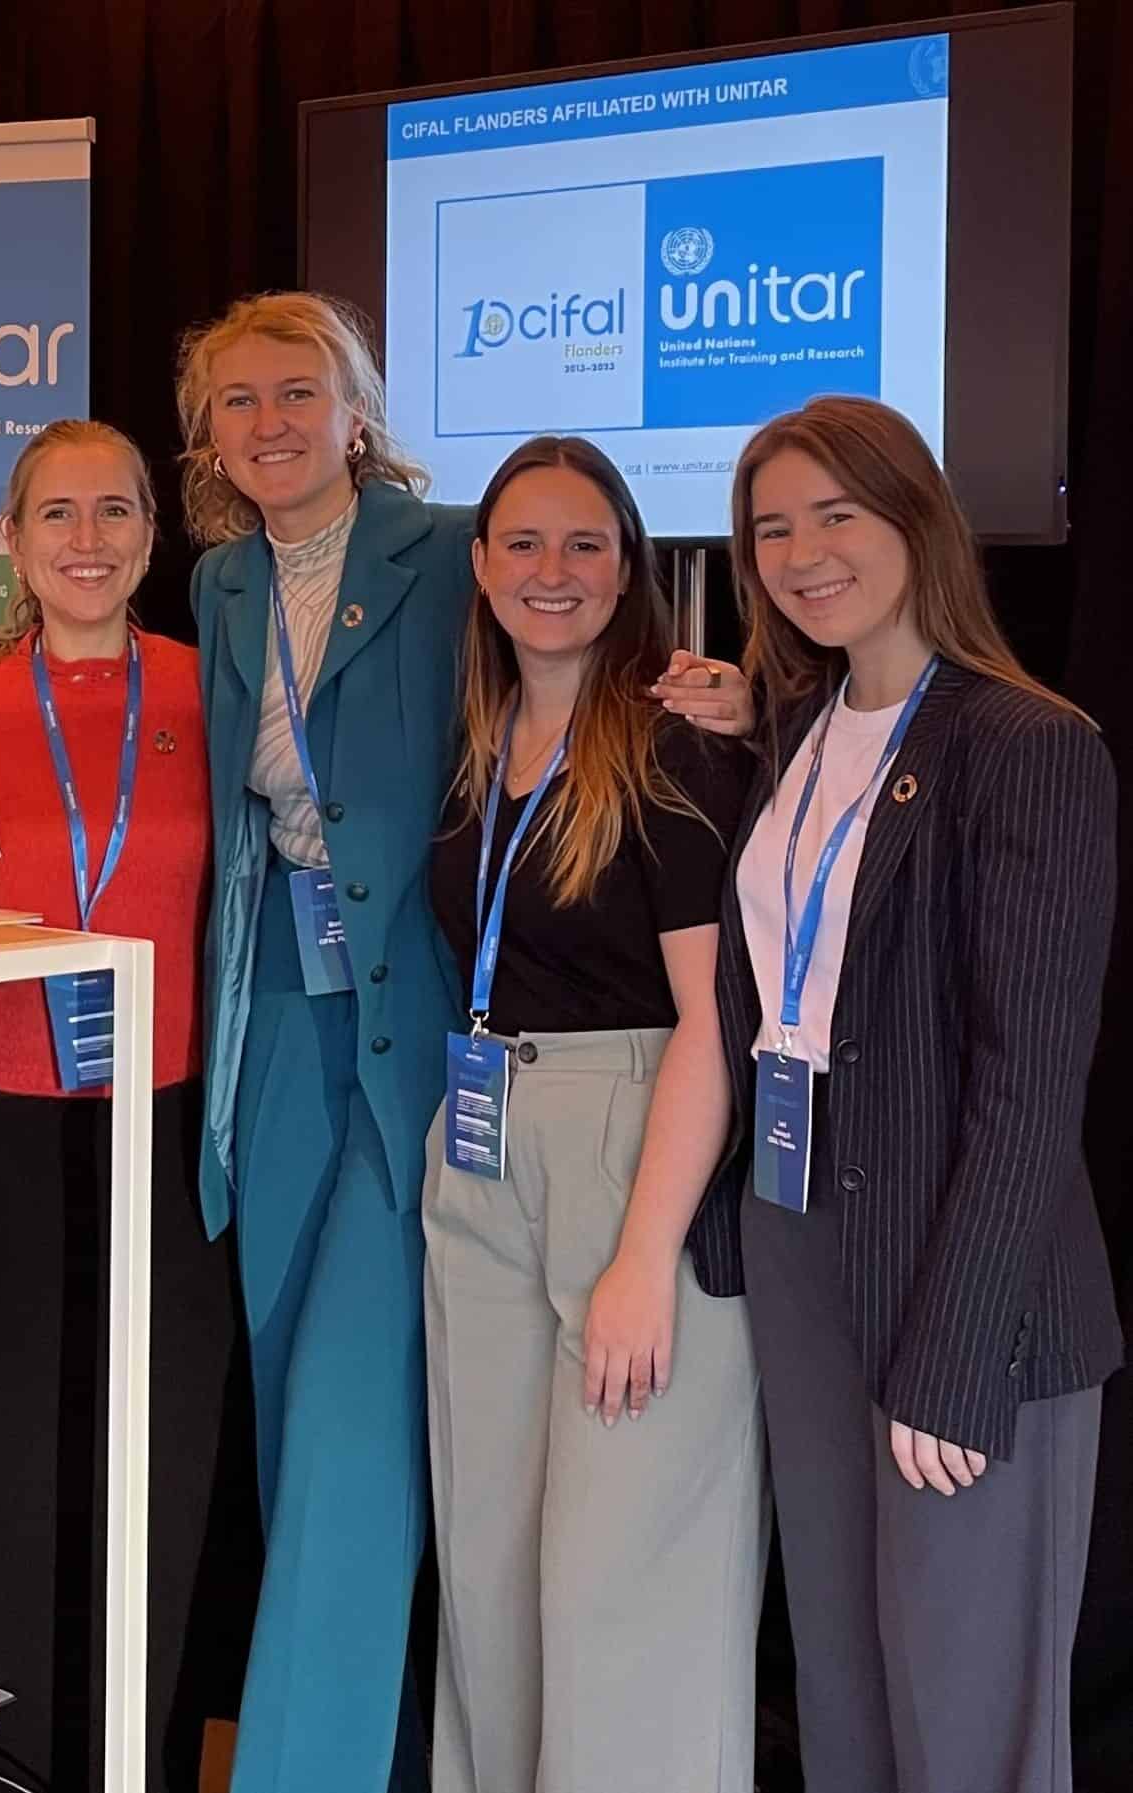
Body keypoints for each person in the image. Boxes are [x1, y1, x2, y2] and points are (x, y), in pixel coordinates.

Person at [716, 395, 1122, 1793]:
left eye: (837, 514)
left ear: (917, 518)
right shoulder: (795, 731)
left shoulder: (1025, 743)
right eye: (772, 529)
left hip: (963, 1276)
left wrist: (957, 1350)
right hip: (800, 1242)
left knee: (966, 1717)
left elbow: (1031, 1087)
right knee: (845, 1690)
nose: (802, 554)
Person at [0, 419, 258, 1793]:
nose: (87, 539)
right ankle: (8, 1774)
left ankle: (135, 1769)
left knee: (158, 1473)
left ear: (154, 536)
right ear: (13, 540)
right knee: (5, 1474)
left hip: (169, 1127)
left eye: (115, 511)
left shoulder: (211, 691)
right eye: (58, 513)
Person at [421, 435, 766, 1793]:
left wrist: (644, 1256)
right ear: (480, 565)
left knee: (621, 1589)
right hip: (484, 1145)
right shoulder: (480, 744)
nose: (551, 570)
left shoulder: (675, 749)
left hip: (635, 1152)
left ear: (629, 571)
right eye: (523, 543)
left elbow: (712, 1024)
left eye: (584, 544)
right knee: (489, 1571)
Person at [176, 289, 477, 1793]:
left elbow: (571, 682)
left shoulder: (454, 553)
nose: (271, 422)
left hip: (416, 1017)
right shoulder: (222, 582)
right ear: (209, 438)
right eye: (238, 400)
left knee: (355, 1421)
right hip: (278, 1022)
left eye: (298, 391)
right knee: (299, 1416)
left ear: (357, 412)